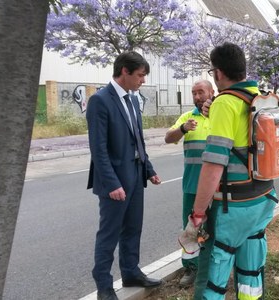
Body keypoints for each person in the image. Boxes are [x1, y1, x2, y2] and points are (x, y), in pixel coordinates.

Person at [188, 42, 278, 300]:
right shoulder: (260, 97)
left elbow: (214, 165)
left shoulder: (225, 103)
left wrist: (197, 213)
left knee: (214, 278)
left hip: (234, 206)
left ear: (217, 73)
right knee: (251, 269)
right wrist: (214, 106)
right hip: (263, 197)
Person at [86, 51, 162, 300]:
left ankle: (130, 272)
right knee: (109, 234)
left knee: (133, 228)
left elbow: (137, 139)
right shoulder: (100, 100)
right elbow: (98, 148)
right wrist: (111, 183)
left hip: (135, 176)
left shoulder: (131, 99)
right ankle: (104, 286)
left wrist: (149, 170)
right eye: (140, 75)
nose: (143, 80)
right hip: (114, 183)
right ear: (125, 72)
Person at [164, 80, 214, 287]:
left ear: (212, 92)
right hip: (192, 186)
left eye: (200, 92)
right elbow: (168, 138)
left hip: (218, 187)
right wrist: (183, 129)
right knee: (191, 229)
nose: (196, 96)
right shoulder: (187, 117)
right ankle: (192, 267)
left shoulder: (221, 116)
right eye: (193, 93)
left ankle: (215, 267)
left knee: (216, 227)